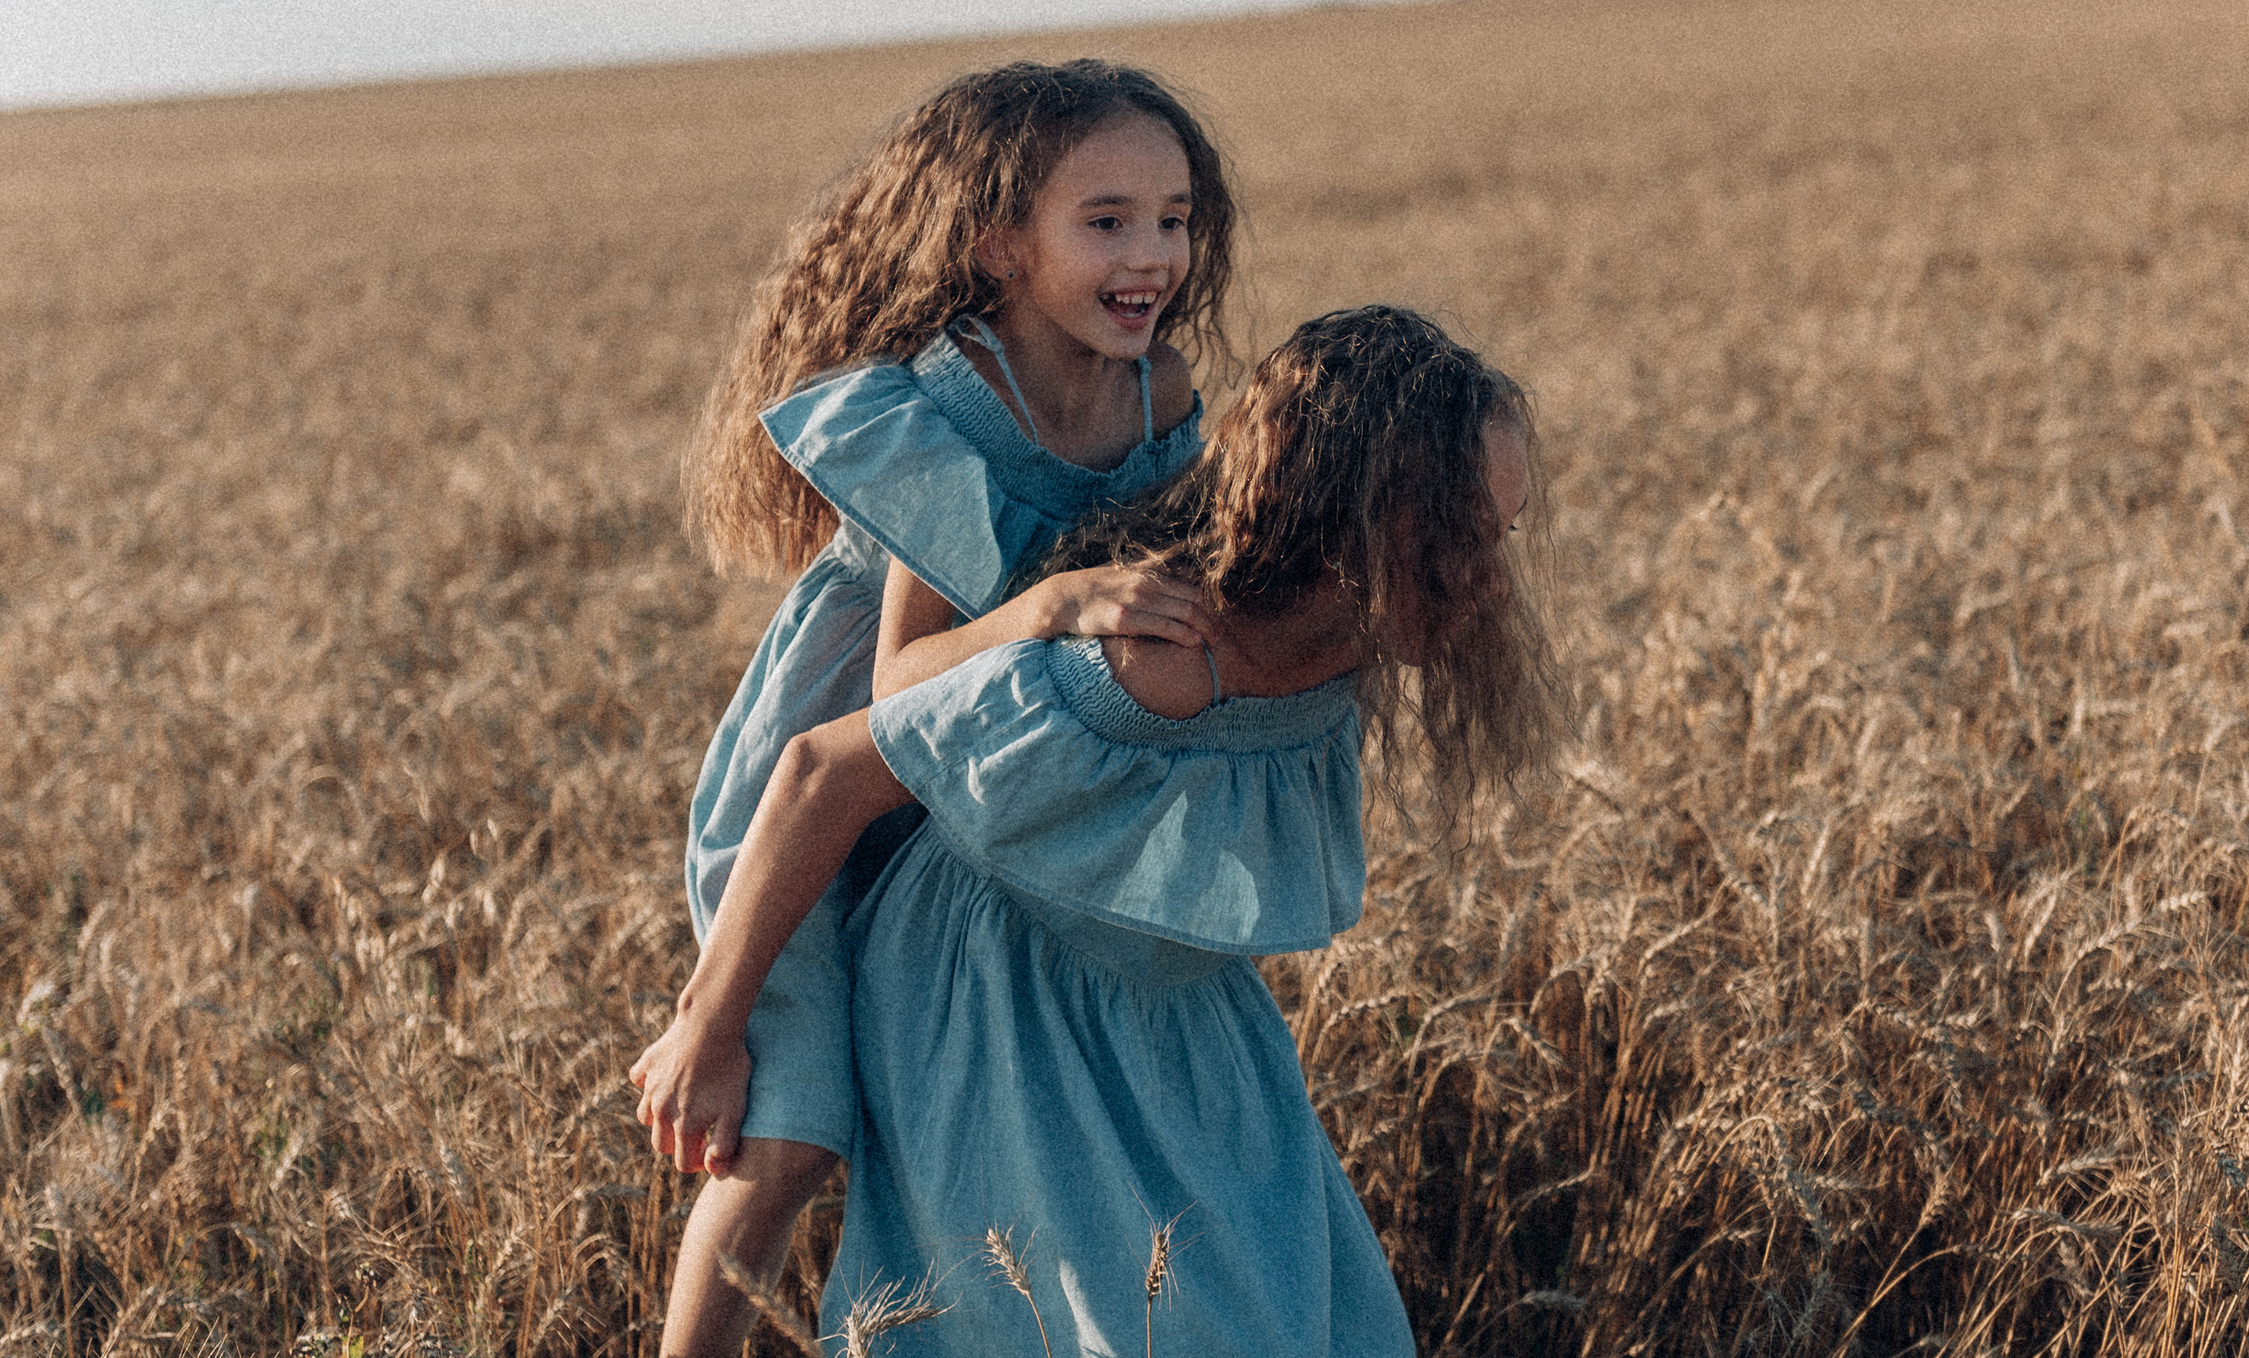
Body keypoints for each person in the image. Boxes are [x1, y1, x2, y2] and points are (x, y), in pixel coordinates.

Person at [634, 307, 1557, 1357]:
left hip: (1185, 1026)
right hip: (998, 1007)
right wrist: (710, 1024)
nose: (1487, 578)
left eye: (1501, 535)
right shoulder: (1138, 664)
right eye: (1455, 536)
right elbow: (819, 770)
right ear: (1341, 509)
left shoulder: (1341, 661)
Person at [667, 60, 1243, 1356]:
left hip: (955, 817)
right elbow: (901, 684)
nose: (1152, 253)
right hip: (804, 816)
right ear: (1001, 247)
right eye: (1106, 221)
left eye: (1174, 217)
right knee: (786, 1137)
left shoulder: (1163, 396)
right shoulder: (952, 407)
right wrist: (1056, 604)